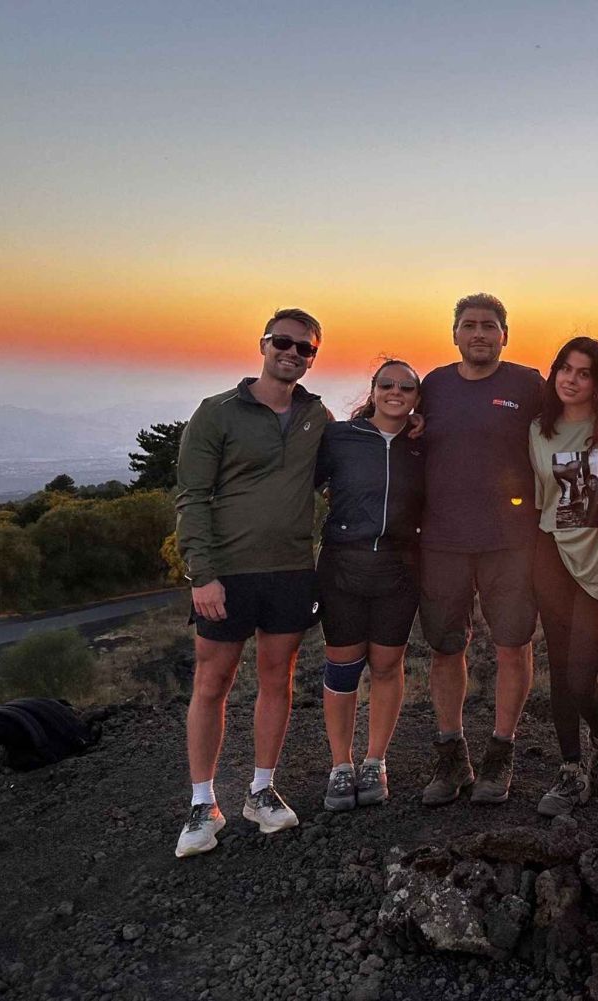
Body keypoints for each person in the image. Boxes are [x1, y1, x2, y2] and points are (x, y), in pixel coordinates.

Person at [173, 308, 331, 858]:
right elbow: (192, 497)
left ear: (312, 357)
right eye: (283, 342)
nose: (292, 353)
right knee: (211, 683)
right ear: (263, 344)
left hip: (291, 571)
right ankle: (202, 804)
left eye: (304, 348)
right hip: (227, 574)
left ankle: (261, 791)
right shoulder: (216, 412)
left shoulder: (317, 415)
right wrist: (202, 575)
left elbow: (348, 456)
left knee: (277, 681)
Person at [417, 293, 545, 806]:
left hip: (511, 540)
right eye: (469, 325)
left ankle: (500, 752)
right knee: (445, 648)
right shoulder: (434, 385)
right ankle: (452, 757)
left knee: (513, 644)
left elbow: (571, 423)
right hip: (442, 538)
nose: (479, 334)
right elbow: (402, 425)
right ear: (454, 334)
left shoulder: (528, 384)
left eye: (489, 326)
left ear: (504, 335)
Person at [314, 359, 426, 811]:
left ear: (417, 398)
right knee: (342, 667)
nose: (395, 392)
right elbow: (298, 484)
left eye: (406, 387)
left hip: (401, 568)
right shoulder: (339, 437)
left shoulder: (423, 444)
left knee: (386, 665)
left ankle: (375, 761)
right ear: (373, 390)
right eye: (387, 384)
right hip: (343, 565)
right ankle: (340, 765)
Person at [529, 337, 598, 817]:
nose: (571, 379)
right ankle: (570, 768)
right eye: (565, 368)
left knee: (582, 677)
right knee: (561, 670)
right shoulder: (539, 429)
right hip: (552, 556)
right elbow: (541, 498)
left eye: (584, 373)